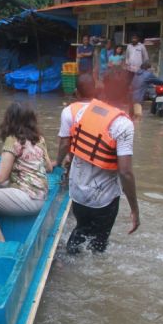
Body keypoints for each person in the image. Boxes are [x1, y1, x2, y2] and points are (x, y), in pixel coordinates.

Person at [56, 75, 140, 253]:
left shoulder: (79, 112)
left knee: (81, 229)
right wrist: (135, 210)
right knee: (99, 244)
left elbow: (70, 148)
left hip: (78, 192)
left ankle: (68, 262)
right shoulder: (123, 124)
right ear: (129, 93)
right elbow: (125, 172)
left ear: (102, 90)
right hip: (104, 199)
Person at [0, 103, 53, 242]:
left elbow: (1, 178)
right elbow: (49, 168)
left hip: (27, 199)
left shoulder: (12, 140)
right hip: (38, 195)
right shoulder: (39, 139)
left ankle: (0, 241)